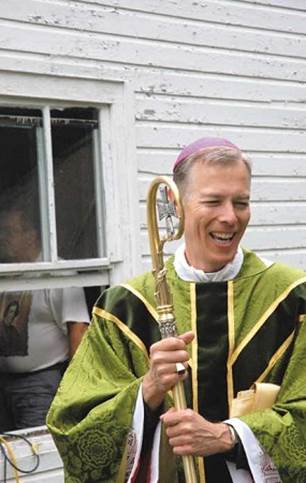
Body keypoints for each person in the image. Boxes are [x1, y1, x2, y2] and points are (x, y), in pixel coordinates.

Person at [47, 137, 306, 482]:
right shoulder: (125, 307)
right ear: (177, 205)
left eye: (241, 202)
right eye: (213, 201)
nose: (230, 217)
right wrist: (149, 390)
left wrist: (228, 436)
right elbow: (74, 429)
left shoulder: (293, 298)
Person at [0, 205, 90, 432]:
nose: (2, 238)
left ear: (31, 235)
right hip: (1, 385)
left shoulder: (57, 273)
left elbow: (79, 334)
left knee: (39, 452)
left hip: (41, 385)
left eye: (9, 231)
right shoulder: (4, 273)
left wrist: (73, 396)